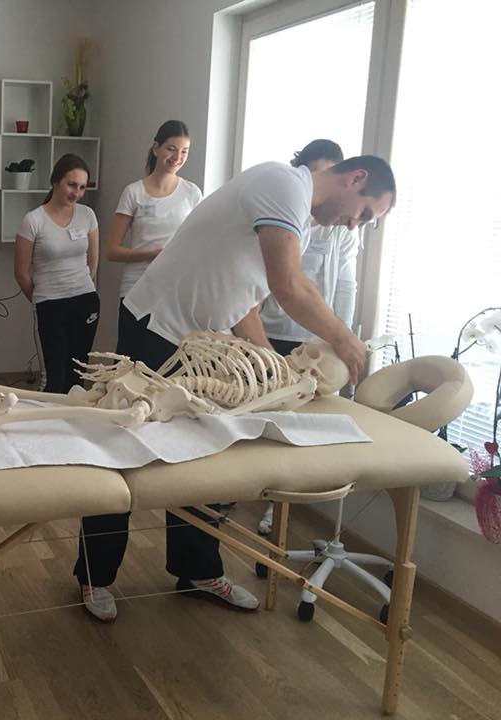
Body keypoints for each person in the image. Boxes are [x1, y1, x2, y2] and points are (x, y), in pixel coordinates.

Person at [76, 154, 396, 622]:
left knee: (205, 455)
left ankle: (197, 571)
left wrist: (272, 366)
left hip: (201, 341)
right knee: (127, 450)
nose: (354, 225)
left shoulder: (300, 221)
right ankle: (95, 575)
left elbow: (245, 300)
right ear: (356, 178)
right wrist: (345, 340)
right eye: (364, 213)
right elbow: (289, 286)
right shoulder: (284, 185)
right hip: (156, 327)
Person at [256, 139, 361, 535]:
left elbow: (345, 285)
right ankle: (238, 489)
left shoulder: (342, 230)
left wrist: (341, 338)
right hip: (270, 331)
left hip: (315, 340)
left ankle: (278, 505)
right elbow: (278, 281)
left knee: (298, 429)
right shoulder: (287, 205)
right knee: (261, 415)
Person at [105, 121, 202, 351]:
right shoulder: (134, 192)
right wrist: (152, 254)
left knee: (167, 362)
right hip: (136, 289)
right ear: (156, 148)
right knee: (130, 360)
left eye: (184, 151)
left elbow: (198, 244)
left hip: (174, 292)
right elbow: (112, 250)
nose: (177, 157)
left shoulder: (191, 193)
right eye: (171, 149)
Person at [14, 154, 100, 393]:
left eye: (82, 187)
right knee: (54, 378)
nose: (76, 193)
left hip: (85, 300)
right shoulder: (33, 220)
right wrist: (42, 298)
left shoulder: (87, 215)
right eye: (71, 185)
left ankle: (74, 417)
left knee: (78, 374)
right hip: (50, 303)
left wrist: (80, 287)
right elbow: (21, 272)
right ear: (55, 182)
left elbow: (93, 263)